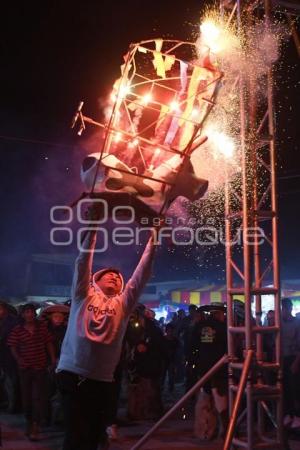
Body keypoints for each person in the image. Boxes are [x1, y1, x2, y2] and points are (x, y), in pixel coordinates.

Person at [56, 207, 157, 450]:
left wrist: (155, 236)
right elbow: (83, 260)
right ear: (95, 281)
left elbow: (141, 275)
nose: (114, 276)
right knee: (75, 436)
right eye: (108, 274)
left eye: (118, 277)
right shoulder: (83, 295)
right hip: (72, 374)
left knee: (94, 437)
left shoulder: (123, 304)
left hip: (103, 380)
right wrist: (93, 224)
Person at [7, 303, 55, 441]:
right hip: (25, 368)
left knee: (38, 397)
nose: (29, 315)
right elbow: (12, 345)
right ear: (23, 315)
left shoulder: (42, 328)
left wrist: (52, 360)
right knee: (27, 398)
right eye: (26, 312)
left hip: (40, 367)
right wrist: (18, 359)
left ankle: (35, 424)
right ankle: (29, 422)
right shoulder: (18, 329)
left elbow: (49, 343)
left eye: (31, 312)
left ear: (35, 314)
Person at [281, 298, 300, 429]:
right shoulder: (278, 323)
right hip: (282, 359)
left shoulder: (297, 323)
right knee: (285, 388)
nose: (284, 311)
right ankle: (289, 414)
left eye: (285, 309)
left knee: (295, 389)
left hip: (293, 358)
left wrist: (297, 362)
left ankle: (297, 417)